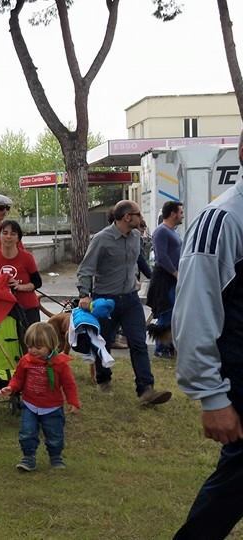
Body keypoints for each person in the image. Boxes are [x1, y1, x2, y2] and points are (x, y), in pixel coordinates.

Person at [172, 135, 243, 539]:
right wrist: (212, 397)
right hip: (239, 381)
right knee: (228, 495)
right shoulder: (224, 219)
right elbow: (195, 311)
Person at [77, 200, 171, 405]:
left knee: (138, 343)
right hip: (105, 300)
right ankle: (103, 379)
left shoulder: (136, 236)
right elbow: (85, 269)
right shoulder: (101, 239)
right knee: (104, 342)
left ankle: (146, 390)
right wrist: (84, 294)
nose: (141, 218)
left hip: (130, 299)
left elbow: (139, 261)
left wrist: (153, 278)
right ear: (127, 217)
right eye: (138, 214)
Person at [0, 322, 80, 472]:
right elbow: (18, 378)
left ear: (50, 345)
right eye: (30, 347)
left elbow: (69, 385)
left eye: (38, 347)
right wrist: (11, 387)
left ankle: (56, 457)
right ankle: (28, 458)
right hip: (30, 405)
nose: (33, 351)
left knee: (54, 434)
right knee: (27, 433)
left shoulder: (59, 364)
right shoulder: (26, 361)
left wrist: (73, 402)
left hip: (52, 407)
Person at [0, 220, 42, 324]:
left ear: (18, 238)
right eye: (5, 233)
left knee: (29, 339)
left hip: (28, 308)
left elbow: (38, 282)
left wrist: (20, 286)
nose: (8, 237)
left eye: (13, 234)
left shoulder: (27, 258)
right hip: (4, 310)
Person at [147, 201, 183, 358]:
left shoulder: (173, 231)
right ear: (173, 214)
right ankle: (161, 349)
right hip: (164, 279)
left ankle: (170, 347)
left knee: (174, 313)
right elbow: (161, 257)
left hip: (173, 279)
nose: (182, 215)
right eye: (180, 212)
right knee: (166, 313)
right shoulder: (161, 231)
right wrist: (175, 273)